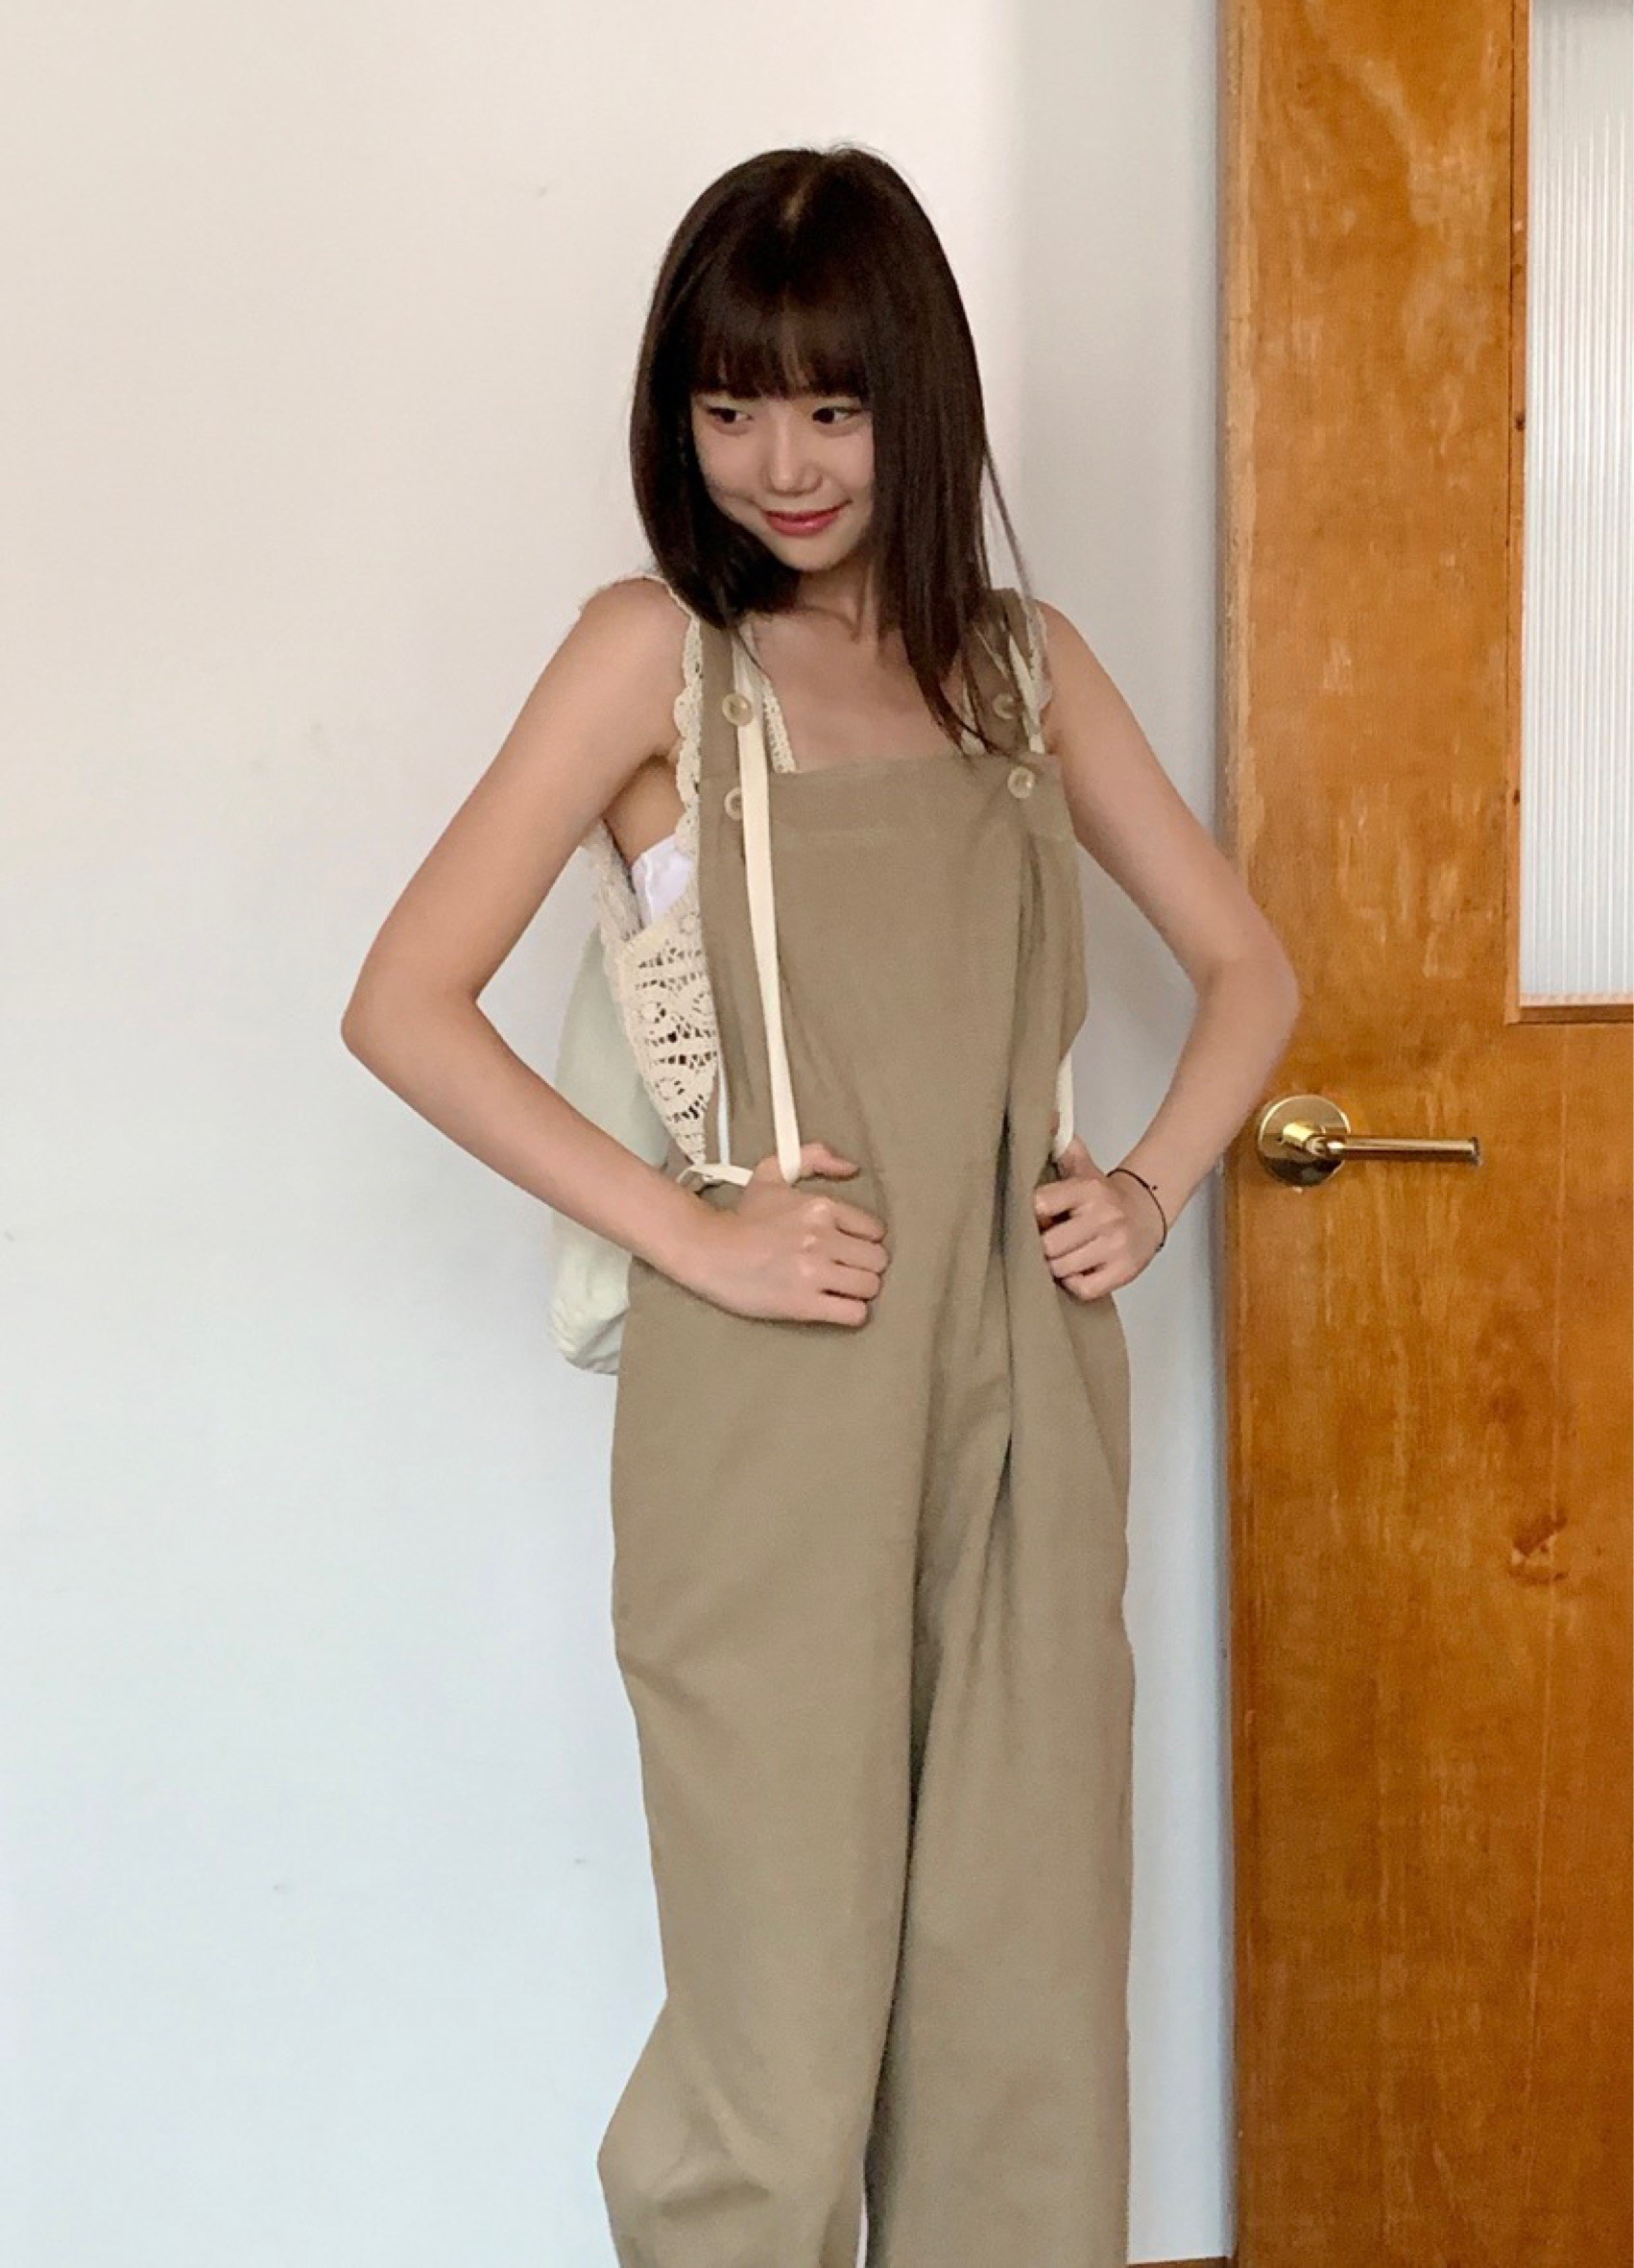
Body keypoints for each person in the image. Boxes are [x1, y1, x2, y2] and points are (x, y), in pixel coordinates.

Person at [342, 144, 1299, 2268]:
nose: (781, 464)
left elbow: (1248, 969)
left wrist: (1145, 1192)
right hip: (770, 1411)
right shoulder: (652, 662)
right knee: (776, 2047)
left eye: (834, 407)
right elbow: (403, 1000)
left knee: (1020, 2012)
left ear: (912, 402)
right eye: (730, 408)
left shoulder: (1019, 670)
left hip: (1029, 1399)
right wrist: (691, 1233)